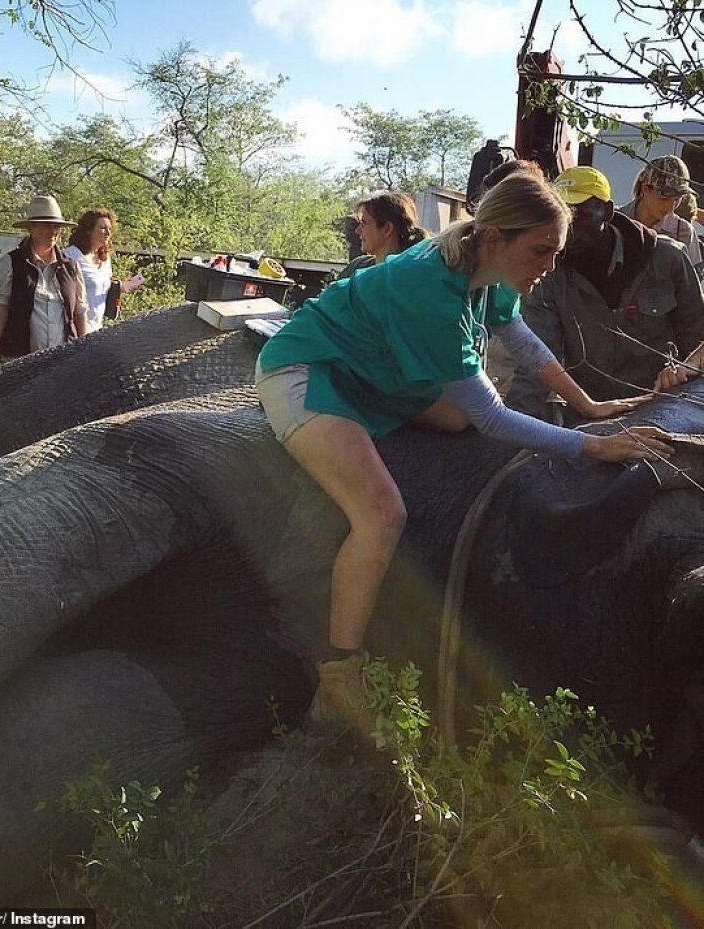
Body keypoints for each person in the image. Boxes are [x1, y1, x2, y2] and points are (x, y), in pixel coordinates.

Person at [255, 171, 674, 735]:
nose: (551, 264)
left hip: (378, 373)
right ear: (497, 237)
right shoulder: (430, 287)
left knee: (457, 416)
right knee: (381, 513)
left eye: (556, 251)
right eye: (542, 250)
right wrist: (593, 445)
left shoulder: (489, 267)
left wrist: (589, 404)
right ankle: (338, 679)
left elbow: (521, 341)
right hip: (312, 370)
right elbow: (493, 419)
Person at [507, 166, 704, 423]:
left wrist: (681, 370)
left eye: (578, 215)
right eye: (559, 217)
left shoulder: (667, 259)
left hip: (665, 409)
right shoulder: (548, 276)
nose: (567, 228)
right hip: (590, 415)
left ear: (607, 211)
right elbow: (536, 362)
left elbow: (698, 340)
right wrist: (512, 426)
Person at [0, 195, 88, 373]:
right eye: (46, 225)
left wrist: (86, 356)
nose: (52, 231)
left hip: (62, 364)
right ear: (31, 228)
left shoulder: (71, 267)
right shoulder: (11, 263)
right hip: (18, 364)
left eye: (56, 226)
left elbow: (79, 314)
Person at [65, 208, 144, 332]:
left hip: (97, 328)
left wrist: (122, 287)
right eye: (102, 228)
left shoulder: (105, 259)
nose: (108, 233)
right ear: (88, 230)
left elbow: (101, 288)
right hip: (75, 330)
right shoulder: (71, 256)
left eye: (110, 229)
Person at [618, 155, 702, 271]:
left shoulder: (684, 231)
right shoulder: (616, 219)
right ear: (645, 189)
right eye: (664, 198)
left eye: (677, 199)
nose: (671, 207)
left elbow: (693, 279)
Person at [336, 191, 428, 280]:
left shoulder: (412, 276)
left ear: (387, 229)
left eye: (364, 223)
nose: (357, 230)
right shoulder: (356, 267)